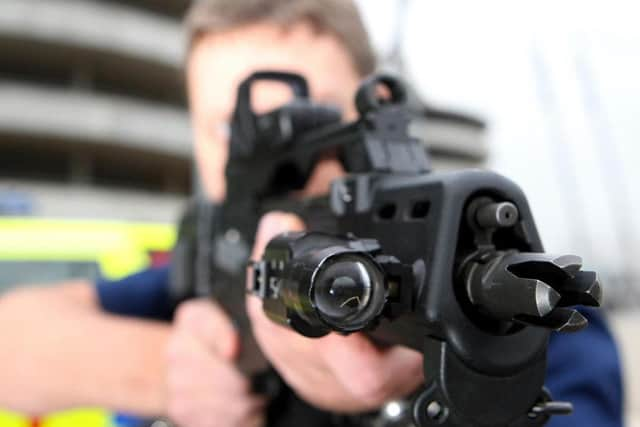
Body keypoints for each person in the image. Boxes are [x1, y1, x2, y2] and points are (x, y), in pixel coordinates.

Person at [0, 1, 624, 427]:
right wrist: (167, 373)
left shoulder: (517, 306)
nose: (280, 154)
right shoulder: (192, 276)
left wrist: (431, 381)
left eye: (317, 115)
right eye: (229, 126)